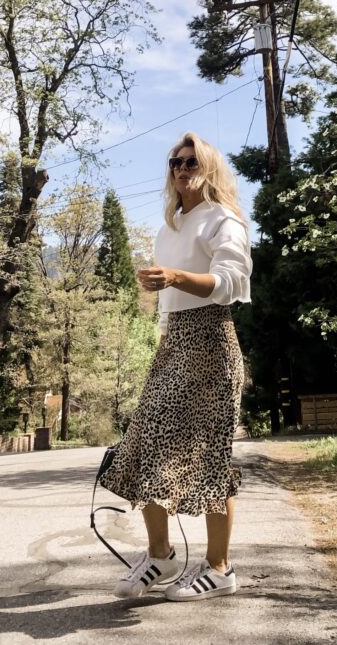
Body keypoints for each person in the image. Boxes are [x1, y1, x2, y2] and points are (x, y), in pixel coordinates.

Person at [99, 131, 252, 602]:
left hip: (211, 344)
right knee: (142, 448)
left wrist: (177, 276)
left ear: (208, 168)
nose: (181, 170)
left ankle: (220, 568)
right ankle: (161, 555)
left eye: (190, 162)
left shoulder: (223, 220)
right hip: (175, 346)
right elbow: (171, 298)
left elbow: (233, 282)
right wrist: (164, 327)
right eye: (174, 163)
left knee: (210, 457)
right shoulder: (171, 225)